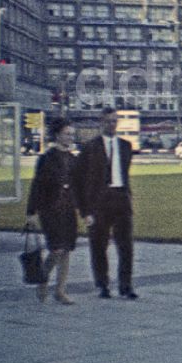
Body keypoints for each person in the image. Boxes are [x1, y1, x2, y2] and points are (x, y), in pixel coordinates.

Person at [73, 107, 138, 300]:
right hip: (99, 203)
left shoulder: (126, 146)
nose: (112, 124)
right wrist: (85, 210)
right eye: (108, 121)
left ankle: (125, 285)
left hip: (120, 199)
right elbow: (78, 179)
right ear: (101, 123)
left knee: (126, 246)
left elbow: (124, 175)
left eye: (115, 121)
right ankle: (102, 284)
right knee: (98, 246)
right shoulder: (90, 148)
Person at [26, 118, 79, 305]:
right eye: (67, 134)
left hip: (68, 210)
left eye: (72, 134)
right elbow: (37, 186)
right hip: (50, 210)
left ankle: (60, 290)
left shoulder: (74, 159)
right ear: (57, 135)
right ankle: (42, 280)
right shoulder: (46, 159)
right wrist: (31, 212)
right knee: (56, 249)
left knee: (66, 251)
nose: (70, 137)